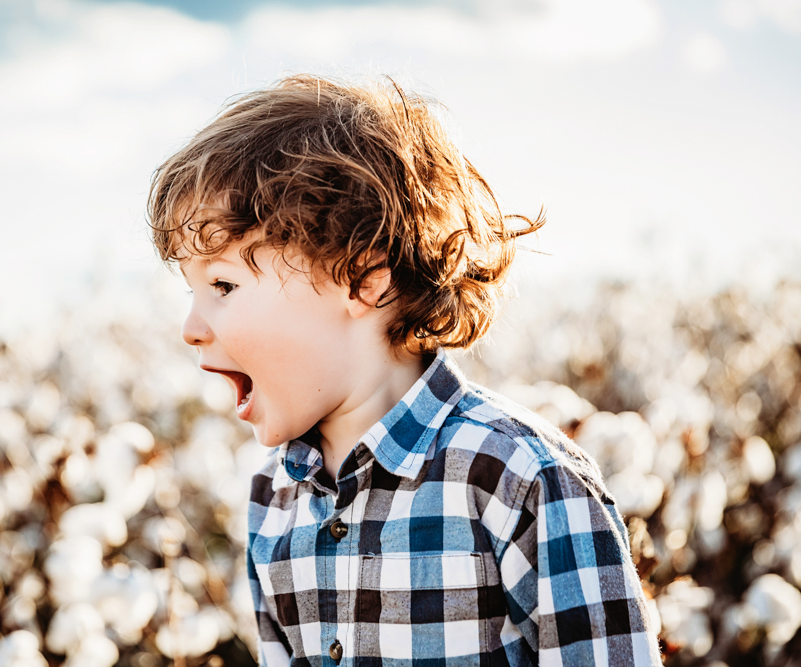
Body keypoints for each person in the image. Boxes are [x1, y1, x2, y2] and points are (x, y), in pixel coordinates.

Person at [148, 74, 662, 667]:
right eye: (191, 291)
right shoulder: (273, 497)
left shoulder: (518, 479)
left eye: (222, 285)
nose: (190, 326)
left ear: (363, 278)